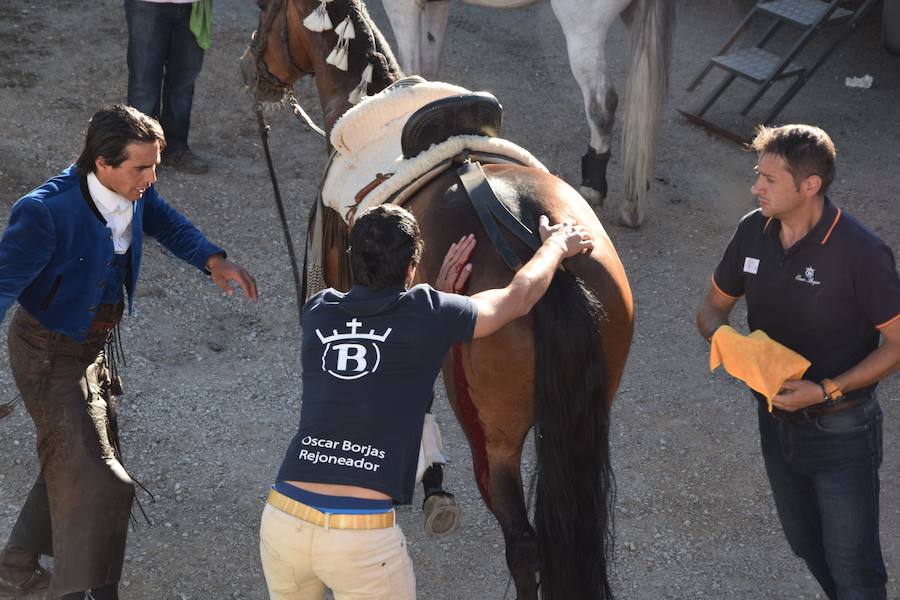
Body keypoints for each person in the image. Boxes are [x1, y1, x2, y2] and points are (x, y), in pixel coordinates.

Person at [259, 204, 593, 600]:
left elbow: (386, 330)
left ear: (351, 260)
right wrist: (555, 245)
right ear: (411, 266)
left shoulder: (317, 312)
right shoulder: (430, 313)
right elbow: (517, 299)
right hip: (358, 539)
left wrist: (432, 300)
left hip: (282, 520)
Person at [0, 104, 257, 599]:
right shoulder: (44, 212)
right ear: (102, 163)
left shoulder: (135, 189)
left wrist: (213, 259)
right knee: (102, 481)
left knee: (75, 460)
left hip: (91, 350)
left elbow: (164, 220)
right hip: (46, 355)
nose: (151, 176)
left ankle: (14, 567)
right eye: (142, 167)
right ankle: (81, 592)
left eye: (154, 164)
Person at [697, 124, 900, 599]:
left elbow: (897, 342)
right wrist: (737, 348)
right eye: (756, 175)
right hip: (776, 422)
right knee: (806, 543)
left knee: (854, 566)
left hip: (842, 431)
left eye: (769, 179)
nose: (756, 187)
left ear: (810, 185)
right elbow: (711, 308)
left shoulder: (862, 253)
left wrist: (825, 389)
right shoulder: (753, 230)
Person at [125, 0, 210, 174]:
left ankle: (175, 149)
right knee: (143, 85)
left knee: (183, 84)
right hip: (147, 4)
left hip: (193, 6)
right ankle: (141, 155)